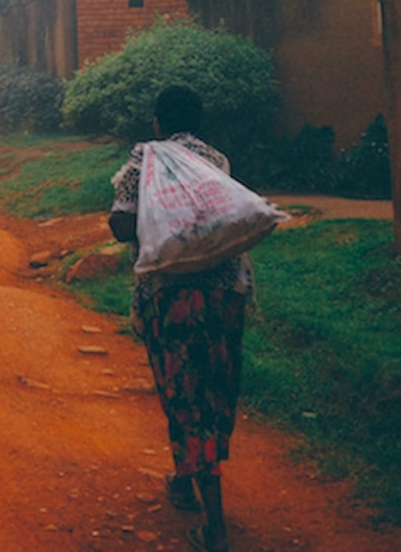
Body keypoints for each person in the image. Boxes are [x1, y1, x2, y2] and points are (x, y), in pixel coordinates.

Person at [109, 84, 250, 552]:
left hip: (172, 297)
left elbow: (122, 225)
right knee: (215, 389)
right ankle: (185, 480)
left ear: (158, 122)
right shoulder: (217, 160)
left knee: (184, 396)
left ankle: (216, 528)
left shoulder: (144, 160)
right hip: (226, 295)